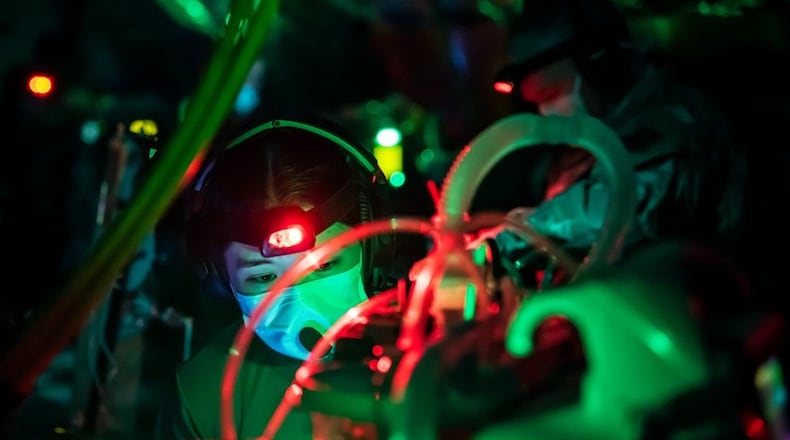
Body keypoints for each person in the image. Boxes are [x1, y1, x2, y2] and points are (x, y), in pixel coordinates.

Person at [154, 117, 393, 439]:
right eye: (265, 276)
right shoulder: (201, 393)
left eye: (324, 265)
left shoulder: (444, 359)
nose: (303, 303)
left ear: (374, 246)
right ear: (219, 275)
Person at [489, 0, 746, 286]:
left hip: (674, 304)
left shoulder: (676, 122)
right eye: (536, 102)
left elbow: (621, 204)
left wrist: (512, 237)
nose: (546, 112)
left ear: (601, 66)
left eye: (552, 93)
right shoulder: (583, 145)